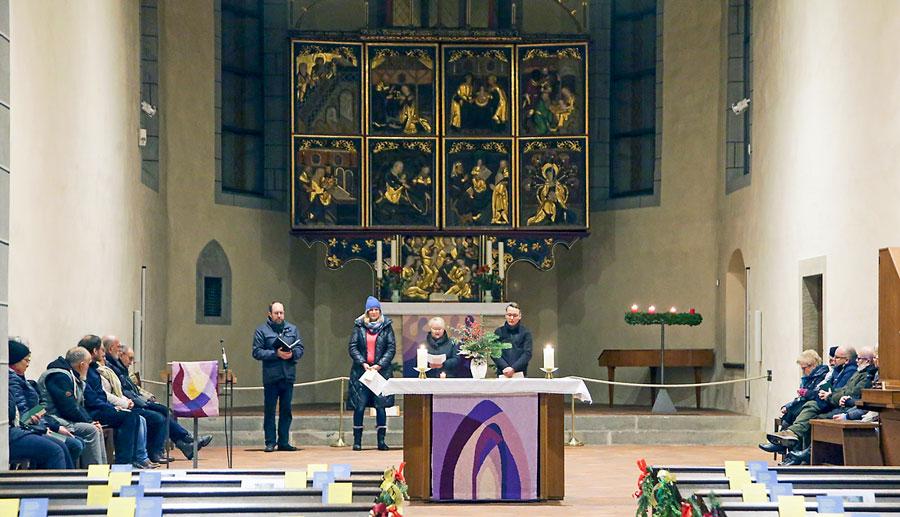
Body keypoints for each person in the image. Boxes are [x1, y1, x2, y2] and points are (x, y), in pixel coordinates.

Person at [104, 336, 210, 460]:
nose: (131, 362)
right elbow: (123, 391)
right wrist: (143, 402)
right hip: (129, 404)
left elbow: (133, 388)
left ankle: (183, 444)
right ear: (113, 350)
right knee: (160, 416)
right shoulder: (112, 368)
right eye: (130, 358)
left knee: (166, 411)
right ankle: (173, 445)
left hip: (135, 401)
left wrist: (147, 397)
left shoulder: (120, 367)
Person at [767, 346, 877, 464]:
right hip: (832, 402)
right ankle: (792, 449)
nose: (833, 360)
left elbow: (849, 393)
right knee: (797, 411)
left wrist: (830, 396)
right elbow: (838, 390)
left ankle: (802, 453)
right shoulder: (845, 371)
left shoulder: (854, 372)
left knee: (812, 414)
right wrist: (789, 405)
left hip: (838, 406)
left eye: (837, 357)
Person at [8, 338, 82, 468]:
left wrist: (52, 426)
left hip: (40, 427)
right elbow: (24, 416)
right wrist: (45, 428)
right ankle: (59, 486)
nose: (28, 364)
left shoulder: (24, 381)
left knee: (73, 443)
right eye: (26, 360)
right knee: (65, 446)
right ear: (14, 361)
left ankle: (67, 484)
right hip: (32, 429)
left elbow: (41, 407)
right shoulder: (13, 381)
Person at [37, 347, 108, 466]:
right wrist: (89, 423)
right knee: (91, 430)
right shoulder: (59, 377)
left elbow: (77, 405)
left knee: (96, 427)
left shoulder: (71, 376)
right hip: (53, 418)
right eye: (88, 364)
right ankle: (92, 474)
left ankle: (102, 470)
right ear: (82, 365)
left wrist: (90, 420)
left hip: (58, 419)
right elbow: (68, 408)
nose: (89, 368)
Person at [252, 301, 304, 452]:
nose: (279, 316)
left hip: (288, 376)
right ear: (270, 314)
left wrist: (292, 353)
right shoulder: (261, 331)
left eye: (281, 313)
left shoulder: (292, 329)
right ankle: (270, 442)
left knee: (286, 410)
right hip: (271, 376)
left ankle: (284, 441)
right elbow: (257, 352)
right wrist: (276, 354)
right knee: (270, 410)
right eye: (276, 313)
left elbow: (300, 348)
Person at [347, 297, 395, 451]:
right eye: (371, 310)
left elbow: (391, 348)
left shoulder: (387, 327)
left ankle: (381, 441)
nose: (374, 312)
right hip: (362, 372)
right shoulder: (359, 326)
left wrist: (379, 365)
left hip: (380, 372)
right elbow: (353, 346)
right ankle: (357, 441)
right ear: (367, 311)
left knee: (380, 407)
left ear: (380, 311)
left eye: (376, 309)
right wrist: (363, 363)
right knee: (359, 407)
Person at [758, 349, 828, 454]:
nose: (803, 372)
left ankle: (784, 445)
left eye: (804, 368)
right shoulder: (807, 378)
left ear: (812, 365)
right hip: (806, 403)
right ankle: (784, 447)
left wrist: (806, 393)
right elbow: (800, 397)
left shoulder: (823, 375)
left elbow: (818, 395)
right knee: (790, 411)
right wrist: (788, 405)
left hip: (817, 405)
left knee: (794, 412)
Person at [493, 302, 533, 377]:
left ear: (520, 316)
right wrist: (505, 367)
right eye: (509, 315)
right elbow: (494, 352)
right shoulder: (498, 332)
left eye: (515, 315)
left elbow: (527, 353)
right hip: (502, 372)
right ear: (505, 315)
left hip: (520, 372)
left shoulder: (526, 333)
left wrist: (514, 368)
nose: (511, 318)